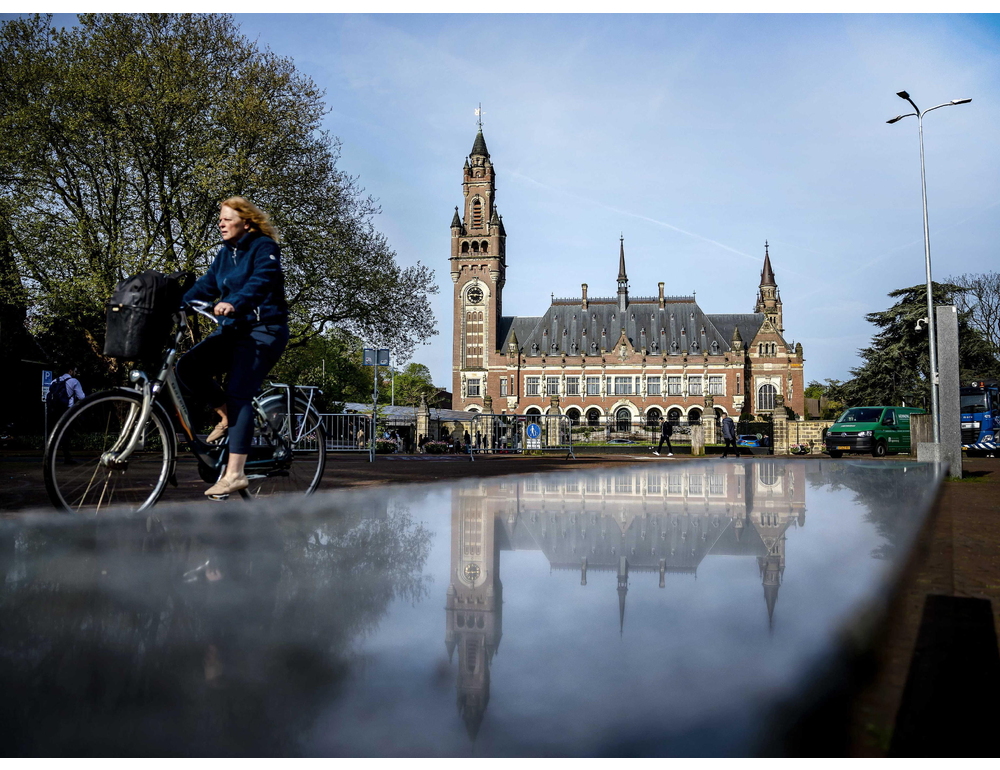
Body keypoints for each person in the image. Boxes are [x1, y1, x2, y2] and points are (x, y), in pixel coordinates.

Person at [177, 197, 289, 497]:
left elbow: (261, 282)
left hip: (264, 331)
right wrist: (176, 303)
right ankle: (227, 418)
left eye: (227, 218)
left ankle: (236, 473)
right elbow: (206, 284)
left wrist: (235, 302)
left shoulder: (264, 248)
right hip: (233, 331)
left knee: (239, 393)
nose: (221, 223)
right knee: (187, 367)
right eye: (220, 219)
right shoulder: (226, 253)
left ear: (247, 222)